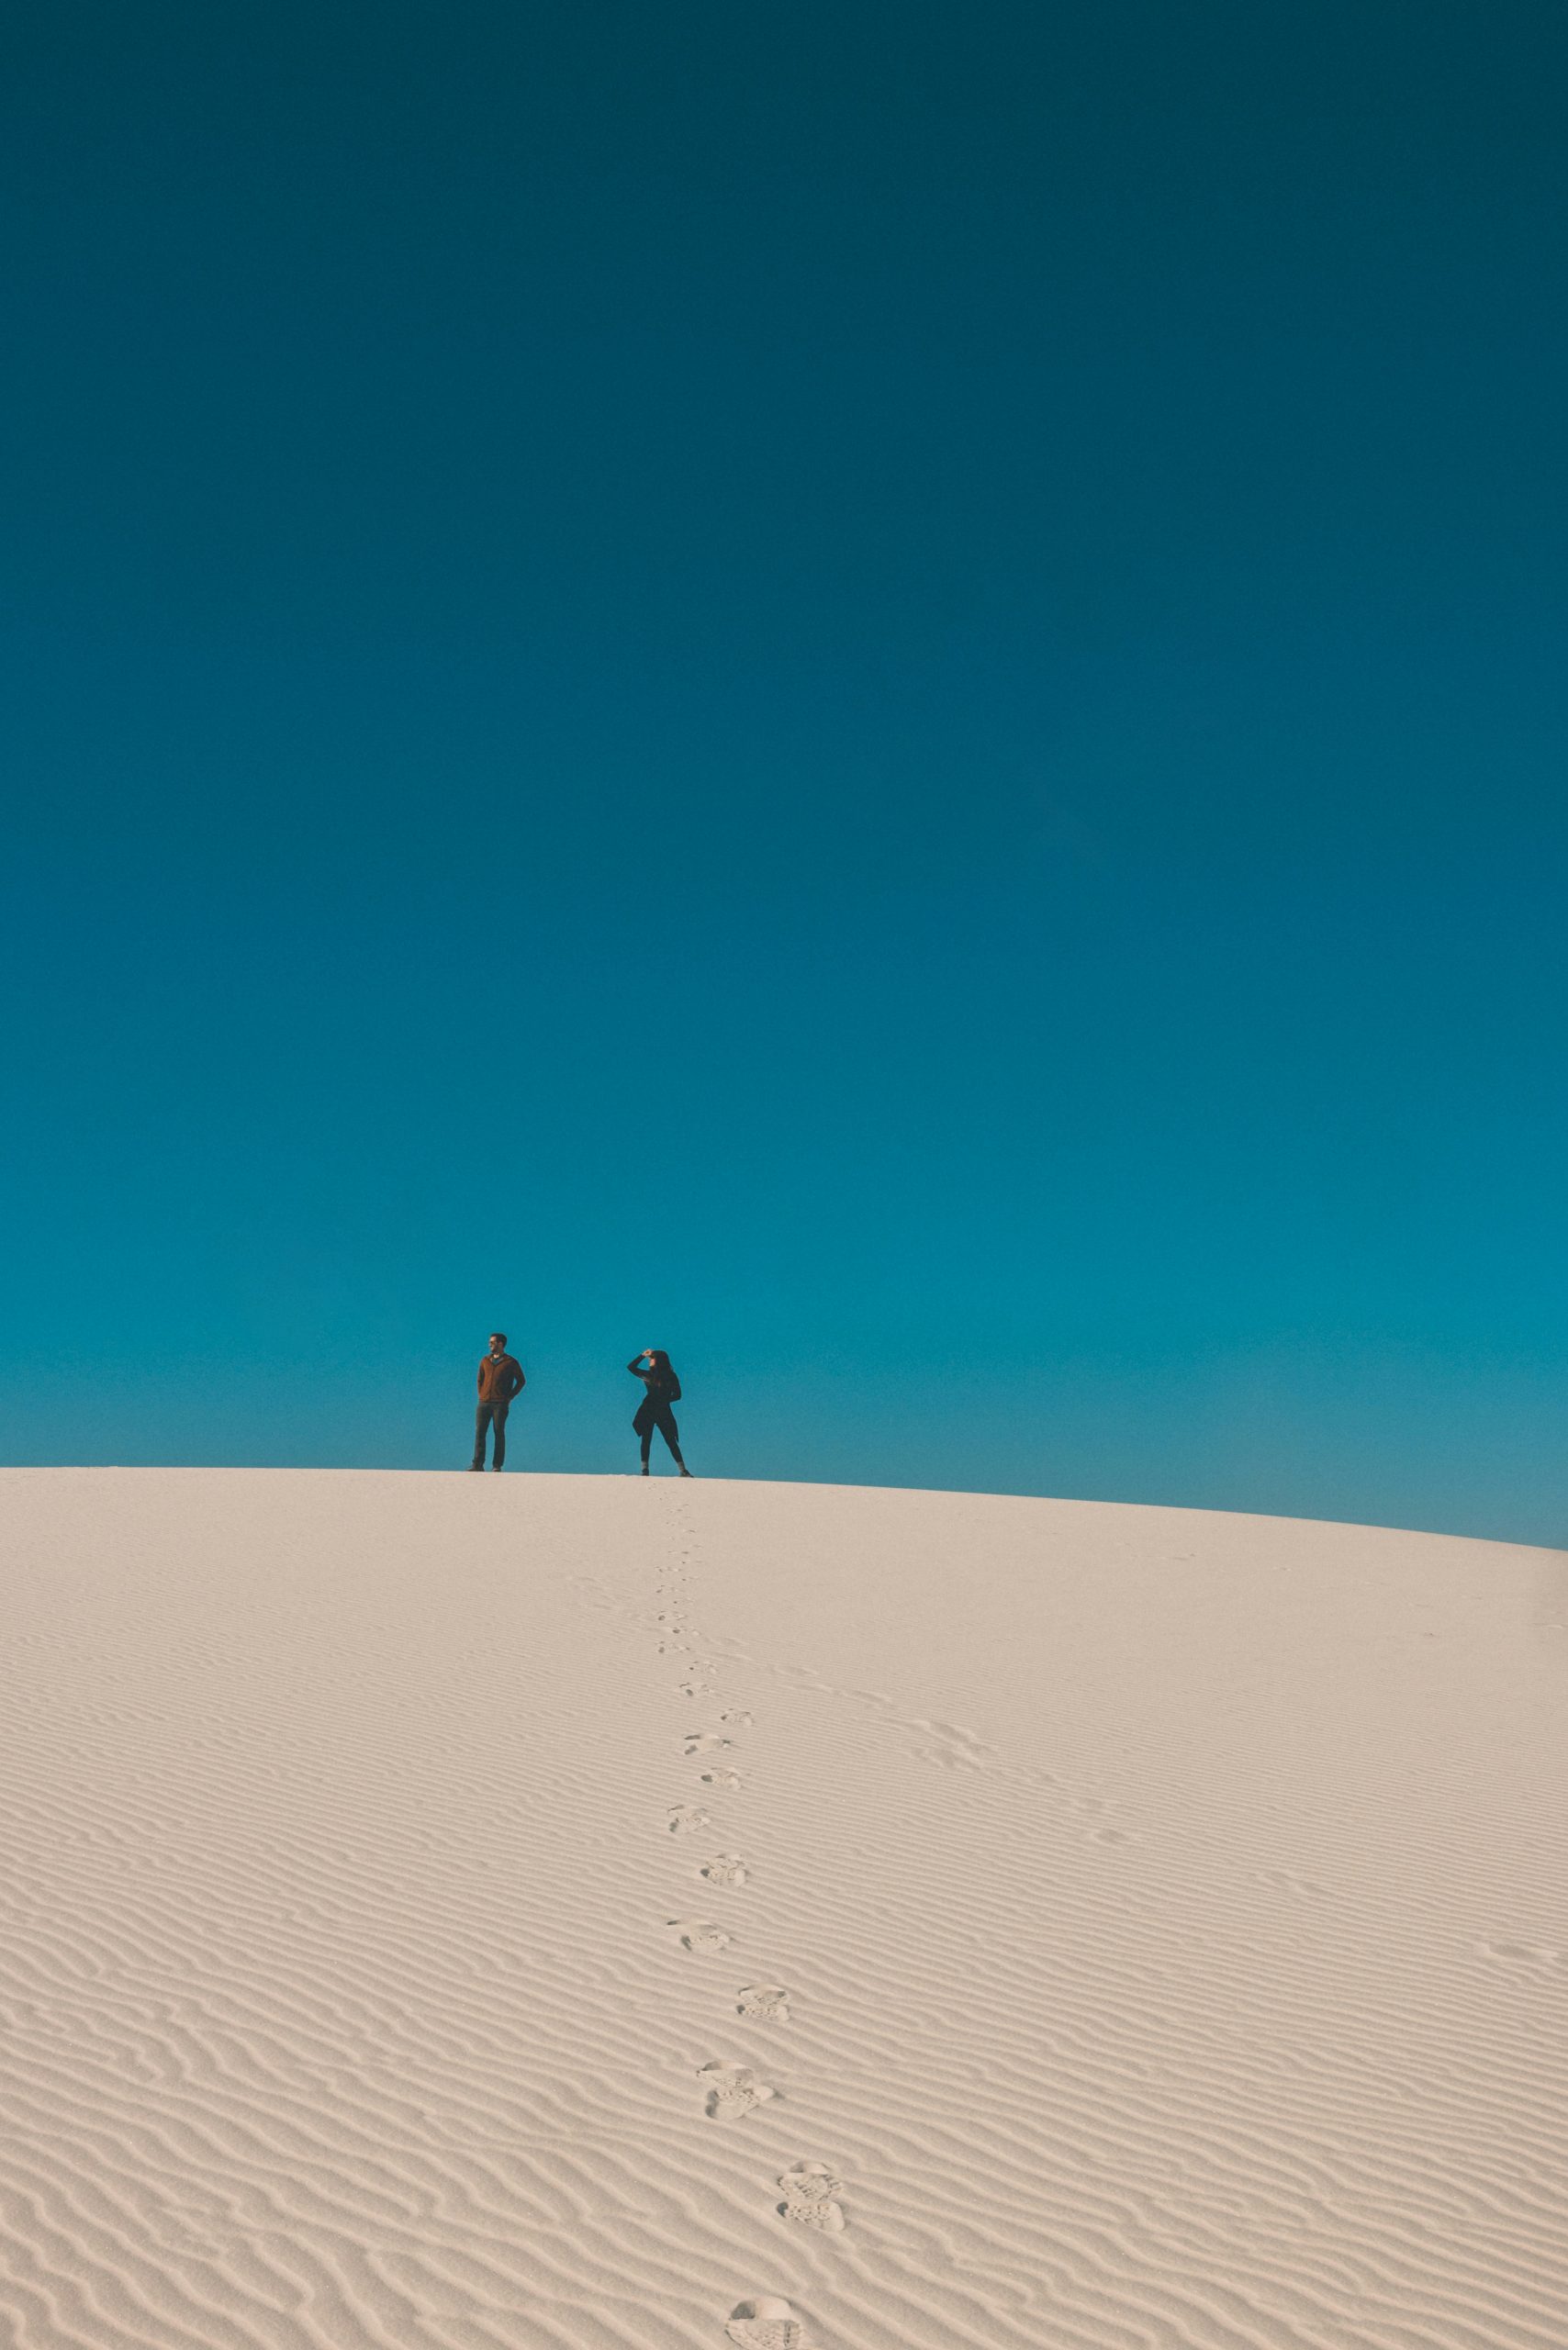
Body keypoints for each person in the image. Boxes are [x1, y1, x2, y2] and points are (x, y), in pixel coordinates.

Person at [628, 1348, 690, 1476]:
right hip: (656, 1409)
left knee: (663, 1440)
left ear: (659, 1360)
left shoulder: (658, 1376)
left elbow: (678, 1395)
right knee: (664, 1440)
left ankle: (647, 1471)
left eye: (652, 1358)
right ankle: (681, 1470)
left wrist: (662, 1400)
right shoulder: (661, 1375)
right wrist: (642, 1355)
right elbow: (631, 1367)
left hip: (652, 1408)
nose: (649, 1361)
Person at [471, 1333, 525, 1470]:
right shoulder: (485, 1360)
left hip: (500, 1404)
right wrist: (481, 1394)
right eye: (489, 1342)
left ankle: (497, 1465)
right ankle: (477, 1464)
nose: (489, 1345)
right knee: (480, 1432)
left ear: (500, 1344)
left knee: (498, 1432)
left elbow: (521, 1381)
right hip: (484, 1402)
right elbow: (480, 1379)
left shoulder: (511, 1362)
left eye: (492, 1342)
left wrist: (509, 1397)